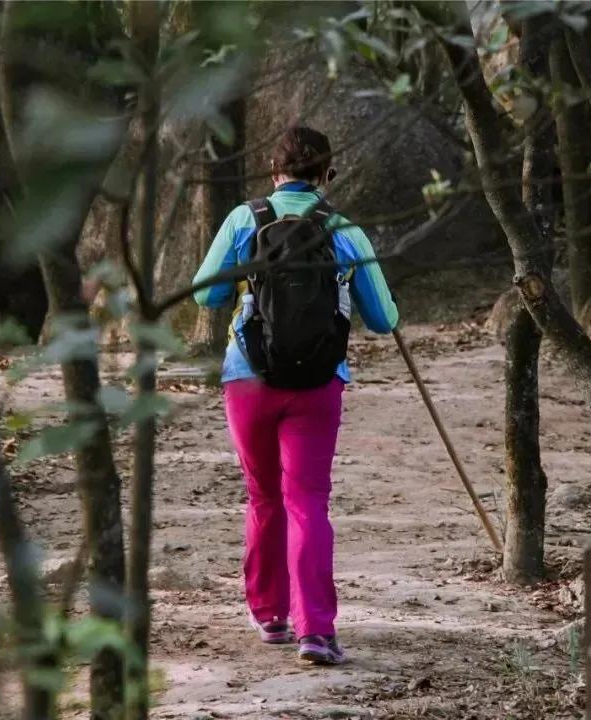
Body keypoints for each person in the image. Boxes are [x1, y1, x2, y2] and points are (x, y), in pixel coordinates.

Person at [192, 126, 398, 666]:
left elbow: (207, 293)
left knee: (264, 496)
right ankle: (318, 632)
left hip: (249, 378)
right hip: (318, 383)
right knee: (307, 501)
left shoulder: (245, 218)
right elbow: (384, 320)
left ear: (272, 169)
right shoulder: (343, 228)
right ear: (327, 175)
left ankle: (270, 614)